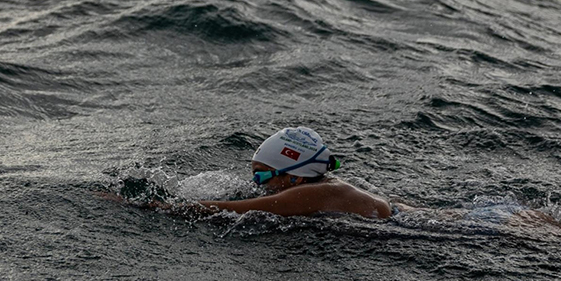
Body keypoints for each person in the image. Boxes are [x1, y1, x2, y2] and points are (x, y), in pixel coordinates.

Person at [148, 126, 397, 219]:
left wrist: (152, 206)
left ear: (294, 177)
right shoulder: (332, 187)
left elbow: (230, 209)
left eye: (261, 175)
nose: (256, 184)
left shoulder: (313, 194)